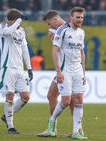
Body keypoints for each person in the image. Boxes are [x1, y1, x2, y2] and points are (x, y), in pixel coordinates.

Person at [37, 10, 82, 137]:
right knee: (66, 99)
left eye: (49, 23)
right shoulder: (66, 29)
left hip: (65, 70)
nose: (49, 26)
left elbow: (66, 50)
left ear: (55, 19)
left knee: (58, 97)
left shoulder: (63, 30)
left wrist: (59, 71)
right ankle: (77, 129)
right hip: (67, 69)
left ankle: (53, 128)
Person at [47, 7, 88, 140]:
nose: (80, 20)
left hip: (78, 71)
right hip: (66, 71)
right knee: (65, 101)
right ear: (71, 17)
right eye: (77, 17)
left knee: (79, 100)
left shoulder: (81, 33)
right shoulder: (62, 30)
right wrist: (58, 71)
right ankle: (52, 121)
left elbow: (82, 53)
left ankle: (76, 132)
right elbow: (55, 50)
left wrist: (84, 72)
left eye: (81, 17)